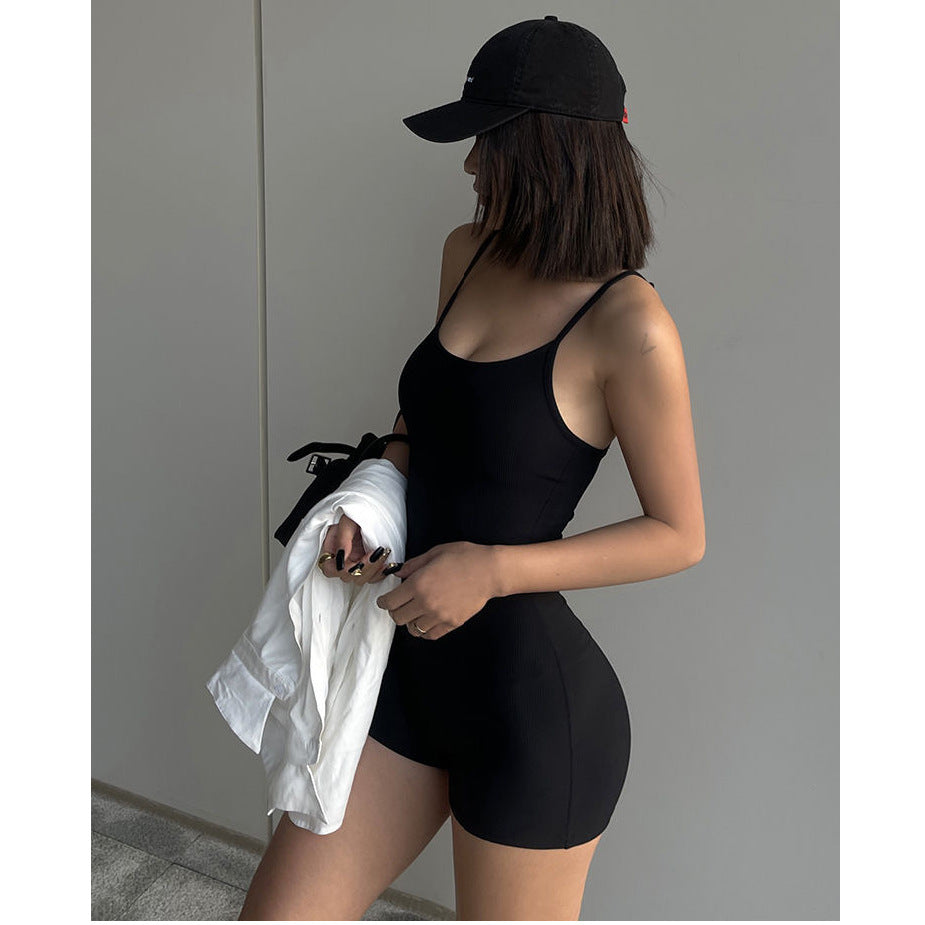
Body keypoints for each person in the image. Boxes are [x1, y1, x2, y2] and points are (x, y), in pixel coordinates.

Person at [239, 15, 705, 921]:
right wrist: (372, 501)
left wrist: (491, 568)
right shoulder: (468, 251)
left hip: (532, 715)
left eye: (487, 143)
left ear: (548, 152)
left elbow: (679, 534)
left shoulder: (629, 325)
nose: (469, 166)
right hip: (407, 672)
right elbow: (429, 419)